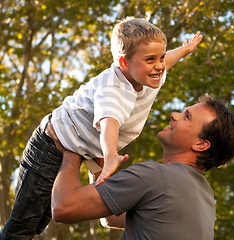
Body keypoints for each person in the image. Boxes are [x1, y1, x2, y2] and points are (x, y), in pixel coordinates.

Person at [0, 17, 202, 240]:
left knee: (39, 223)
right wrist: (110, 155)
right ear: (125, 63)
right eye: (151, 59)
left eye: (161, 57)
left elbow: (169, 60)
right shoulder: (113, 90)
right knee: (23, 225)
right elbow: (109, 124)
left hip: (77, 148)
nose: (160, 65)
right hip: (50, 145)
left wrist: (185, 49)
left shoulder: (149, 74)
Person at [51, 95, 234, 240]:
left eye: (186, 117)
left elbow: (63, 208)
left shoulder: (156, 177)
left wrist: (72, 148)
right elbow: (111, 217)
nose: (174, 115)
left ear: (201, 145)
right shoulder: (205, 198)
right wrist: (98, 165)